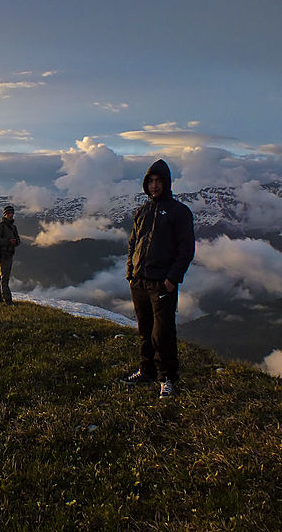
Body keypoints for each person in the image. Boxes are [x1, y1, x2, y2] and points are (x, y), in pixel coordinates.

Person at [122, 159, 195, 398]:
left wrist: (172, 279)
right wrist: (131, 272)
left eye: (158, 181)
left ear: (166, 183)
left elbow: (186, 249)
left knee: (162, 332)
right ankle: (147, 370)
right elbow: (133, 242)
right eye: (150, 181)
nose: (154, 186)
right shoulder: (143, 211)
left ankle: (167, 378)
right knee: (145, 329)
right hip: (140, 280)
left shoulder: (179, 212)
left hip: (161, 282)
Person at [0, 204, 21, 305]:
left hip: (9, 254)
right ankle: (8, 300)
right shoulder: (0, 226)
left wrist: (15, 242)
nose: (11, 215)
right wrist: (8, 241)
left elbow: (18, 240)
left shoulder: (13, 227)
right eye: (9, 213)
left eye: (12, 213)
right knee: (5, 277)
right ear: (5, 214)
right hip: (2, 255)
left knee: (2, 276)